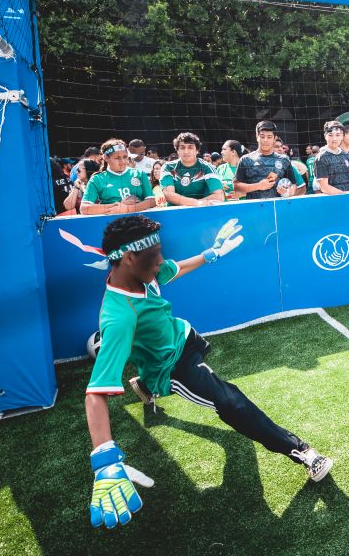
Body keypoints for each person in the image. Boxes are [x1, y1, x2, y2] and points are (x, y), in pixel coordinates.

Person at [83, 216, 333, 529]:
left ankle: (146, 387)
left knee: (216, 391)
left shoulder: (144, 272)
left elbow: (175, 269)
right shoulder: (118, 318)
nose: (161, 260)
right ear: (130, 257)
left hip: (183, 337)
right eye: (155, 255)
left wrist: (212, 253)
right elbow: (95, 393)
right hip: (173, 367)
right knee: (230, 401)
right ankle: (302, 452)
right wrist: (104, 458)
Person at [81, 139, 162, 215]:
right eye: (117, 158)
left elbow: (151, 201)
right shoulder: (97, 179)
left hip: (139, 221)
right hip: (112, 224)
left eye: (125, 157)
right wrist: (118, 206)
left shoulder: (139, 174)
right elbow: (84, 208)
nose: (122, 162)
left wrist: (128, 209)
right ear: (106, 158)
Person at [233, 121, 304, 199]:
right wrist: (258, 186)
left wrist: (288, 192)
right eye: (262, 136)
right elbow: (236, 186)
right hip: (254, 208)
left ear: (275, 138)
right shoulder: (245, 159)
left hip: (278, 207)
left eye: (269, 137)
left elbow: (293, 184)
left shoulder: (284, 160)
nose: (265, 140)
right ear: (257, 137)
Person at [159, 132, 225, 207]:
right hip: (175, 213)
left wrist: (195, 205)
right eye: (182, 147)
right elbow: (169, 196)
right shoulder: (168, 167)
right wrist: (196, 203)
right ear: (177, 151)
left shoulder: (207, 167)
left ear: (197, 150)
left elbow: (219, 196)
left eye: (190, 147)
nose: (186, 151)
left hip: (201, 212)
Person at [314, 121, 349, 194]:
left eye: (338, 135)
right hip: (333, 201)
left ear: (342, 136)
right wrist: (344, 196)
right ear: (325, 136)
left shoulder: (348, 155)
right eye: (330, 135)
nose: (334, 139)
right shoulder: (321, 158)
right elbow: (324, 187)